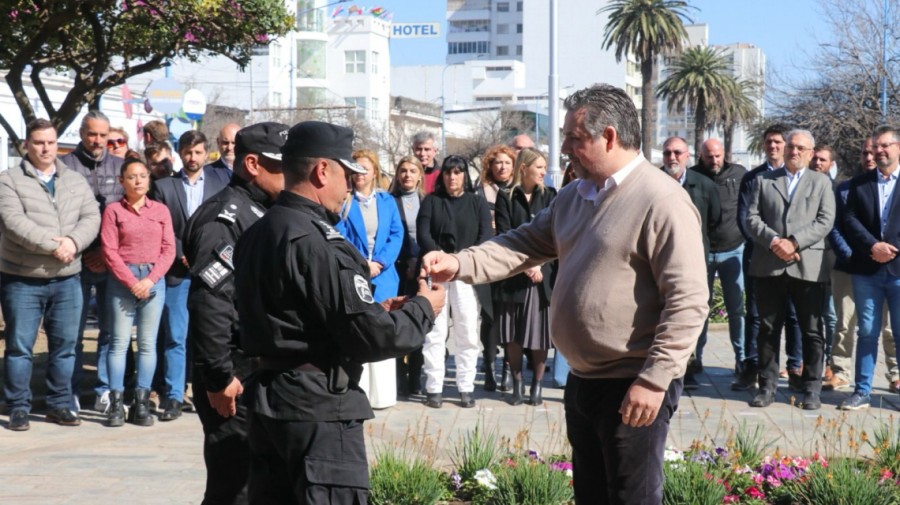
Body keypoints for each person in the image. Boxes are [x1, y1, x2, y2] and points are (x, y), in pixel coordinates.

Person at [422, 84, 708, 503]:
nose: (565, 149)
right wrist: (459, 263)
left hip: (633, 385)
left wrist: (655, 378)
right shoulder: (574, 197)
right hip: (583, 381)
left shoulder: (662, 200)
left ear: (608, 136)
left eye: (574, 138)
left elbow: (688, 300)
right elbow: (519, 245)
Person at [232, 120, 444, 503]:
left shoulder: (258, 232)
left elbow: (300, 312)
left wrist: (375, 308)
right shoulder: (319, 242)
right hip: (317, 408)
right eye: (347, 174)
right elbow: (374, 337)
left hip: (270, 402)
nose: (350, 185)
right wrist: (424, 309)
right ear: (321, 170)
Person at [183, 121, 289, 505]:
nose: (288, 174)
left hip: (261, 369)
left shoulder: (263, 210)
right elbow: (210, 303)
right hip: (234, 374)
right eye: (280, 166)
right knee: (234, 487)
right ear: (252, 164)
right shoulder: (224, 219)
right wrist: (218, 377)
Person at [1, 119, 101, 431]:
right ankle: (18, 406)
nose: (46, 148)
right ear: (26, 146)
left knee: (66, 346)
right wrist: (52, 246)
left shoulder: (73, 179)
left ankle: (60, 404)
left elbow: (92, 215)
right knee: (20, 347)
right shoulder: (9, 180)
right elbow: (13, 221)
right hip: (23, 277)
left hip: (68, 277)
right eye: (39, 142)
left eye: (51, 142)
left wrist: (74, 242)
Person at [745, 129, 835, 410]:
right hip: (769, 265)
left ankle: (811, 388)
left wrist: (794, 242)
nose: (794, 152)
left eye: (800, 148)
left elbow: (825, 220)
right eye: (790, 147)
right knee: (768, 328)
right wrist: (774, 241)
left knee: (811, 330)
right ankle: (767, 385)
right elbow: (751, 217)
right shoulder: (763, 180)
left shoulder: (821, 183)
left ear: (810, 153)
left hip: (806, 266)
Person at [149, 130, 231, 421]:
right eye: (187, 152)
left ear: (206, 152)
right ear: (178, 154)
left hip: (213, 271)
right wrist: (182, 251)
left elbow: (226, 222)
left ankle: (210, 389)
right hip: (178, 271)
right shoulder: (164, 187)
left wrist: (207, 253)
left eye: (197, 152)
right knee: (175, 335)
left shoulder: (222, 182)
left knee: (212, 333)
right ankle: (173, 395)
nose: (192, 158)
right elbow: (162, 227)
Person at [100, 158, 175, 427]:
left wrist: (151, 279)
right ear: (122, 181)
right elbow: (109, 251)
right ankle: (117, 403)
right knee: (119, 342)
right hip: (123, 279)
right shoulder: (113, 211)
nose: (139, 181)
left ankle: (142, 403)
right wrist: (132, 281)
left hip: (154, 279)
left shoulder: (161, 211)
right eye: (132, 176)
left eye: (143, 175)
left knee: (147, 343)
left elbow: (169, 249)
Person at [417, 155, 493, 409]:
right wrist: (440, 258)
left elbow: (485, 235)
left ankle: (465, 387)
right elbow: (423, 234)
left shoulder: (477, 203)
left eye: (458, 172)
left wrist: (460, 261)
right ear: (443, 176)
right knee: (436, 332)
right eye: (448, 172)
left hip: (466, 273)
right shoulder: (431, 202)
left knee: (467, 331)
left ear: (465, 176)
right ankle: (434, 387)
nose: (452, 177)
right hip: (436, 272)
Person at [60, 110, 123, 414]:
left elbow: (127, 216)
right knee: (71, 333)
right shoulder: (65, 166)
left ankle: (105, 391)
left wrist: (107, 253)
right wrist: (85, 250)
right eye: (92, 134)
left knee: (111, 333)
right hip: (76, 263)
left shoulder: (121, 168)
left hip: (113, 263)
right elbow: (59, 216)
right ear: (82, 133)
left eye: (102, 134)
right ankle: (69, 393)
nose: (97, 140)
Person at [827, 137, 900, 392]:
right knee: (854, 327)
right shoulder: (849, 187)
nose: (872, 156)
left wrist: (888, 251)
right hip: (856, 267)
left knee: (894, 330)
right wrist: (861, 252)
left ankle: (895, 375)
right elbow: (841, 224)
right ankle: (850, 380)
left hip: (893, 268)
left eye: (878, 150)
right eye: (866, 152)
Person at [735, 124, 804, 392]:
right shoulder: (753, 178)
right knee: (755, 315)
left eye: (777, 142)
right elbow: (744, 219)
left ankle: (795, 367)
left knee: (794, 315)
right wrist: (772, 244)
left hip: (794, 258)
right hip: (759, 258)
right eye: (769, 142)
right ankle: (752, 366)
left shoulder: (798, 178)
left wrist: (790, 246)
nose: (773, 146)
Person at [335, 149, 405, 409]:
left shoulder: (387, 201)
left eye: (364, 169)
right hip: (356, 273)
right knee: (361, 329)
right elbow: (339, 235)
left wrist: (380, 262)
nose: (359, 174)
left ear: (374, 171)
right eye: (355, 169)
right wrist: (362, 263)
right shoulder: (344, 201)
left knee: (384, 330)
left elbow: (396, 235)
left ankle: (383, 395)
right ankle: (360, 390)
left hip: (384, 275)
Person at [493, 147, 557, 406]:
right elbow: (505, 235)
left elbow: (556, 235)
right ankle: (517, 382)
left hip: (542, 277)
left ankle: (537, 385)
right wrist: (526, 265)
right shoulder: (505, 196)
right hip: (513, 277)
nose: (543, 172)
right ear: (524, 168)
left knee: (539, 335)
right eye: (539, 167)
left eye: (544, 167)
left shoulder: (552, 196)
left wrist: (539, 264)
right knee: (513, 335)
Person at [662, 136, 721, 390]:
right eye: (667, 153)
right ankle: (664, 367)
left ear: (688, 156)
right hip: (660, 260)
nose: (672, 157)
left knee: (693, 313)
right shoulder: (651, 182)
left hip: (695, 261)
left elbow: (714, 220)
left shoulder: (705, 185)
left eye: (677, 152)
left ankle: (691, 366)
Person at [689, 138, 748, 382]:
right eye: (708, 156)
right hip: (700, 253)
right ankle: (694, 360)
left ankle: (742, 360)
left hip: (734, 250)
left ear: (724, 153)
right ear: (700, 156)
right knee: (698, 309)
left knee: (737, 310)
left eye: (717, 155)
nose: (714, 160)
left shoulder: (740, 174)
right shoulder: (692, 177)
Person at [476, 144, 517, 392]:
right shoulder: (479, 192)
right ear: (489, 166)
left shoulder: (517, 192)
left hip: (509, 260)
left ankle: (507, 369)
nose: (502, 167)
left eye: (507, 163)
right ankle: (490, 367)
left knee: (509, 317)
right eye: (497, 162)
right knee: (490, 317)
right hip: (485, 258)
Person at [389, 156, 426, 396]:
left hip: (422, 268)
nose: (407, 175)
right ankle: (398, 378)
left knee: (419, 322)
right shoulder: (389, 200)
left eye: (412, 170)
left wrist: (420, 262)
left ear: (420, 175)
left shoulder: (427, 201)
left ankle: (415, 376)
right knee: (396, 322)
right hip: (397, 268)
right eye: (403, 170)